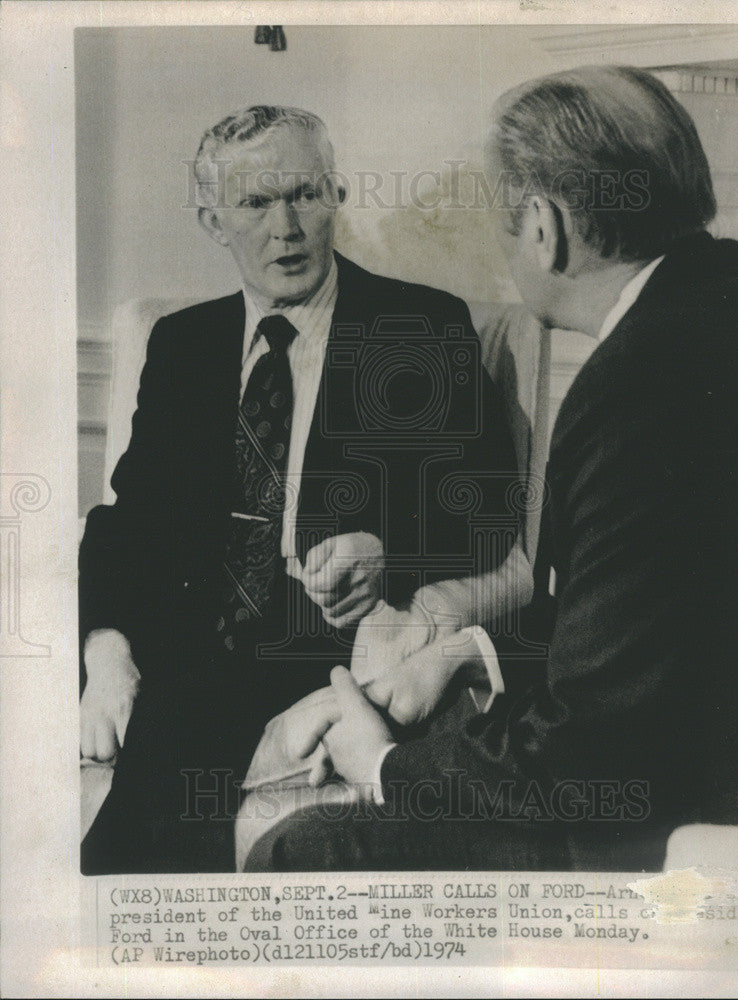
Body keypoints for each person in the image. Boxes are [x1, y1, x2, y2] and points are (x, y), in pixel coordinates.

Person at [248, 66, 738, 873]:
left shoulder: (631, 392)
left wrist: (386, 765)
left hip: (690, 819)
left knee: (302, 851)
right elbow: (640, 632)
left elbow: (590, 754)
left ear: (543, 226)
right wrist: (466, 655)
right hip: (733, 758)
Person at [79, 105, 522, 873]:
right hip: (189, 642)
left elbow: (488, 513)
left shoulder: (417, 327)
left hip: (320, 646)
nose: (287, 227)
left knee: (166, 812)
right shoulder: (183, 344)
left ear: (335, 195)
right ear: (213, 220)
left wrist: (390, 552)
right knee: (142, 816)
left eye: (305, 195)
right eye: (255, 203)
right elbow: (131, 520)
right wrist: (105, 651)